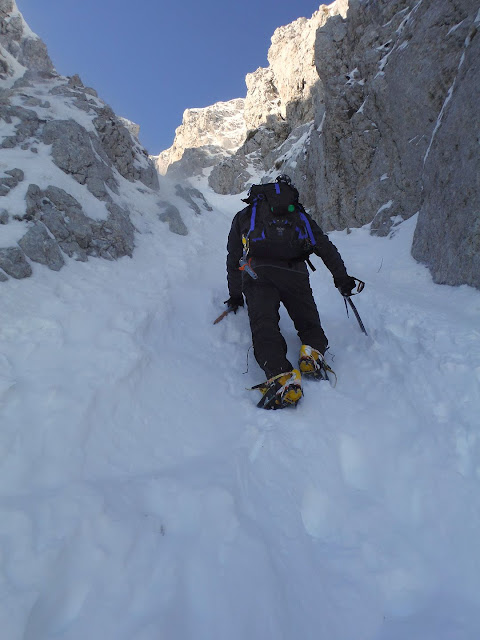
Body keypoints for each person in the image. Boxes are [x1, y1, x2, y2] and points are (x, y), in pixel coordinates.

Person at [224, 175, 358, 410]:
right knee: (308, 322)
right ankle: (312, 352)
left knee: (264, 324)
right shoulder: (298, 215)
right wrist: (341, 278)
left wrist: (235, 294)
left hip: (257, 273)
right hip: (295, 273)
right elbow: (325, 247)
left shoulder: (245, 215)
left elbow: (233, 258)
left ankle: (281, 376)